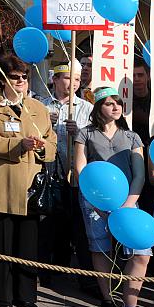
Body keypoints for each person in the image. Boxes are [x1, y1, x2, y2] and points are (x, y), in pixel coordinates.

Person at [0, 53, 56, 307]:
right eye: (14, 76)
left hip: (31, 186)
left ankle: (27, 295)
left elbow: (52, 141)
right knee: (2, 242)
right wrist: (17, 145)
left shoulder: (38, 107)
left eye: (24, 76)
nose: (20, 80)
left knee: (28, 245)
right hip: (2, 183)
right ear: (2, 79)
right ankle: (3, 294)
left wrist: (43, 149)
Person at [74, 87, 154, 307]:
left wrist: (128, 203)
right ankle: (108, 302)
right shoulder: (85, 134)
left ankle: (130, 306)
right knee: (100, 248)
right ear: (98, 107)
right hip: (94, 200)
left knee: (142, 252)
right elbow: (81, 168)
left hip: (129, 200)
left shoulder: (132, 137)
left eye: (119, 102)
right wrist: (97, 202)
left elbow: (140, 174)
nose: (116, 107)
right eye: (109, 103)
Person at [37, 62, 93, 282]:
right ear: (56, 80)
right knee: (46, 222)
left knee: (71, 223)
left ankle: (64, 267)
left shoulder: (86, 108)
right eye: (69, 78)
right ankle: (42, 269)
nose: (74, 84)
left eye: (78, 80)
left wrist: (78, 132)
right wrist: (43, 125)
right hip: (48, 171)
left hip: (74, 172)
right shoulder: (41, 105)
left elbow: (92, 140)